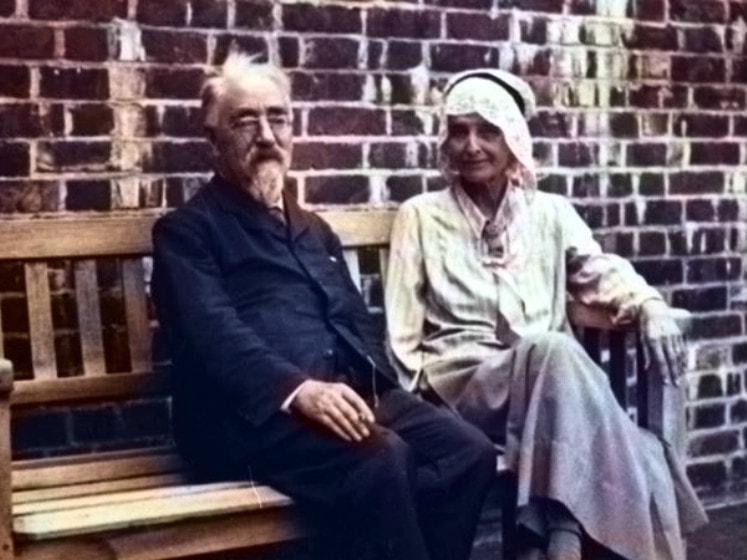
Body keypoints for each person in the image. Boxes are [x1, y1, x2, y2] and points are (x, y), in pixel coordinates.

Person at [150, 52, 497, 560]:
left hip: (344, 394)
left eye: (278, 118)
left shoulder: (313, 229)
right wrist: (297, 390)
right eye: (245, 121)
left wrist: (387, 393)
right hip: (249, 417)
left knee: (468, 453)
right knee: (382, 459)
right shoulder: (188, 232)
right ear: (213, 140)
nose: (266, 135)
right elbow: (212, 335)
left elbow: (352, 318)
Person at [384, 68, 708, 560]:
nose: (471, 145)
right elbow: (401, 329)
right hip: (467, 387)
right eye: (459, 131)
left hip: (551, 394)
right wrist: (414, 413)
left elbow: (598, 271)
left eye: (487, 131)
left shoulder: (550, 213)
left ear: (513, 138)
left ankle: (556, 531)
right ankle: (570, 530)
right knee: (554, 348)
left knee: (550, 351)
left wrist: (649, 304)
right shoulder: (422, 215)